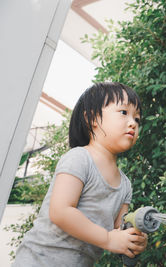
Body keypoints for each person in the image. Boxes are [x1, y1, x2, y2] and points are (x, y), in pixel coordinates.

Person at [13, 82, 148, 266]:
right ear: (92, 118)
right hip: (38, 261)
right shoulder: (79, 158)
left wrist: (131, 239)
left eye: (137, 119)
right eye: (124, 113)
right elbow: (61, 211)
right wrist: (108, 239)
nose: (132, 122)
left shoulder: (125, 185)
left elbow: (119, 230)